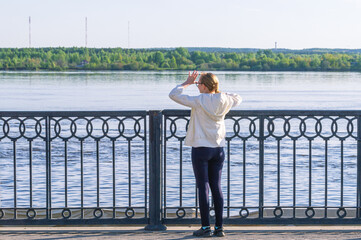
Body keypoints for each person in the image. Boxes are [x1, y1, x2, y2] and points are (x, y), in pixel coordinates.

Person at [169, 71, 242, 237]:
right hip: (218, 148)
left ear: (204, 85)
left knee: (203, 187)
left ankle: (205, 228)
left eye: (198, 84)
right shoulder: (224, 100)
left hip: (201, 148)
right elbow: (238, 97)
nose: (197, 86)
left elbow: (173, 94)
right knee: (216, 186)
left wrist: (187, 82)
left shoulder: (198, 100)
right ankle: (219, 228)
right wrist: (218, 92)